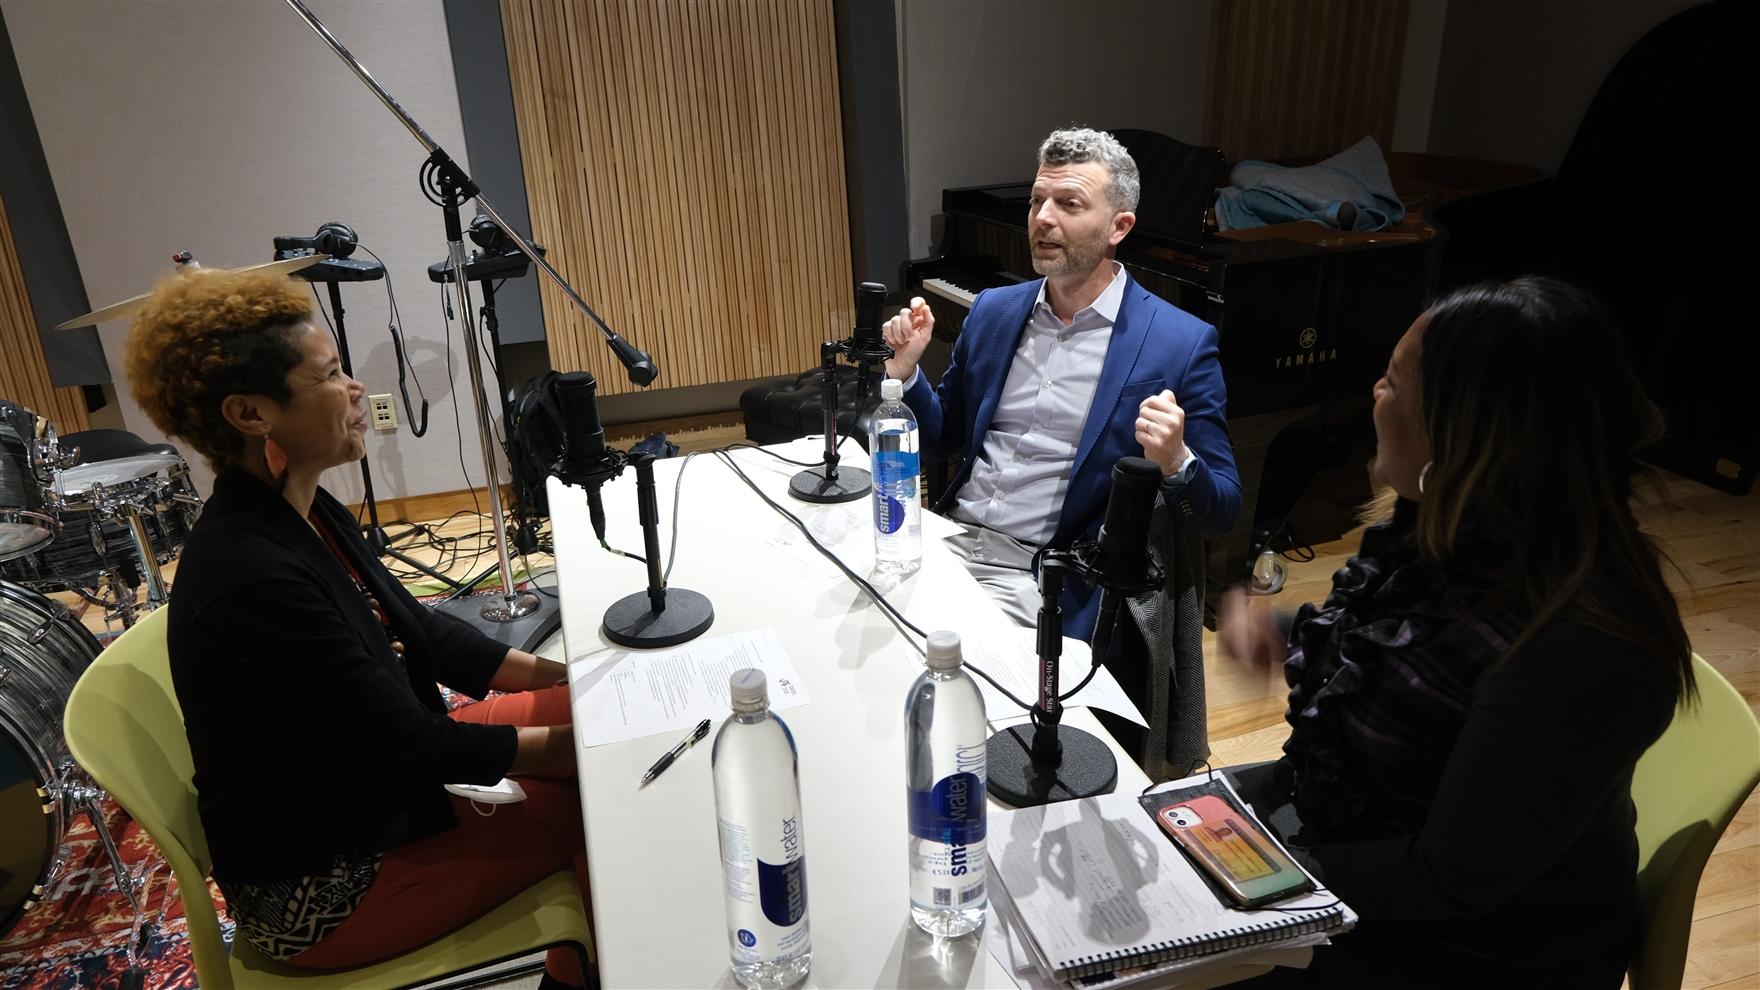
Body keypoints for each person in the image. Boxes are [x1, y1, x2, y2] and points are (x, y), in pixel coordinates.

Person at [1217, 276, 1695, 987]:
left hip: (1476, 949)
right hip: (1371, 849)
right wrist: (1283, 634)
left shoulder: (1582, 646)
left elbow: (1450, 878)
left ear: (1463, 436)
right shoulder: (1458, 528)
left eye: (1393, 381)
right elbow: (1403, 654)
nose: (1374, 393)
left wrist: (1247, 881)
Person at [124, 269, 589, 989]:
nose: (354, 389)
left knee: (595, 713)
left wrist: (576, 680)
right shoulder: (249, 576)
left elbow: (425, 634)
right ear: (250, 413)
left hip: (370, 792)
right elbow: (415, 748)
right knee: (604, 804)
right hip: (326, 882)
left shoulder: (302, 506)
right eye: (330, 374)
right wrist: (584, 748)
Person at [883, 127, 1241, 766]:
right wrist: (908, 377)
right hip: (948, 543)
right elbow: (943, 439)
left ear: (1119, 226)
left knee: (953, 732)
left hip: (1048, 579)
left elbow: (1220, 509)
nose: (1042, 219)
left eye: (1069, 204)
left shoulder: (1179, 344)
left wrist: (1177, 461)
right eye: (1036, 201)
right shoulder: (995, 310)